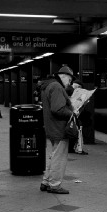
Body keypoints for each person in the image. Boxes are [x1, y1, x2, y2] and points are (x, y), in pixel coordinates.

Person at [38, 65, 76, 194]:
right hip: (59, 127)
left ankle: (46, 181)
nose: (69, 83)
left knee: (54, 155)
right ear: (64, 76)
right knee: (59, 157)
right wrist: (72, 113)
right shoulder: (57, 87)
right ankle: (55, 184)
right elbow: (57, 109)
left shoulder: (48, 85)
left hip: (51, 126)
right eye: (69, 80)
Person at [67, 80, 88, 155]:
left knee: (73, 131)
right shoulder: (72, 92)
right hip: (73, 115)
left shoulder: (68, 90)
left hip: (71, 115)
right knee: (77, 130)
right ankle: (78, 149)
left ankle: (72, 148)